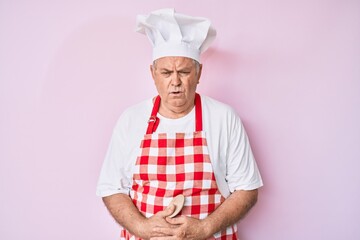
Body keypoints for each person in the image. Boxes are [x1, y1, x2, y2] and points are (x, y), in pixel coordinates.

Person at [96, 8, 263, 240]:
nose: (175, 82)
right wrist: (142, 228)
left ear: (198, 73)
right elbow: (112, 188)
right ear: (153, 74)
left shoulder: (223, 118)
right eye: (166, 72)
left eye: (184, 71)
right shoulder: (131, 119)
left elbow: (247, 189)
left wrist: (205, 228)